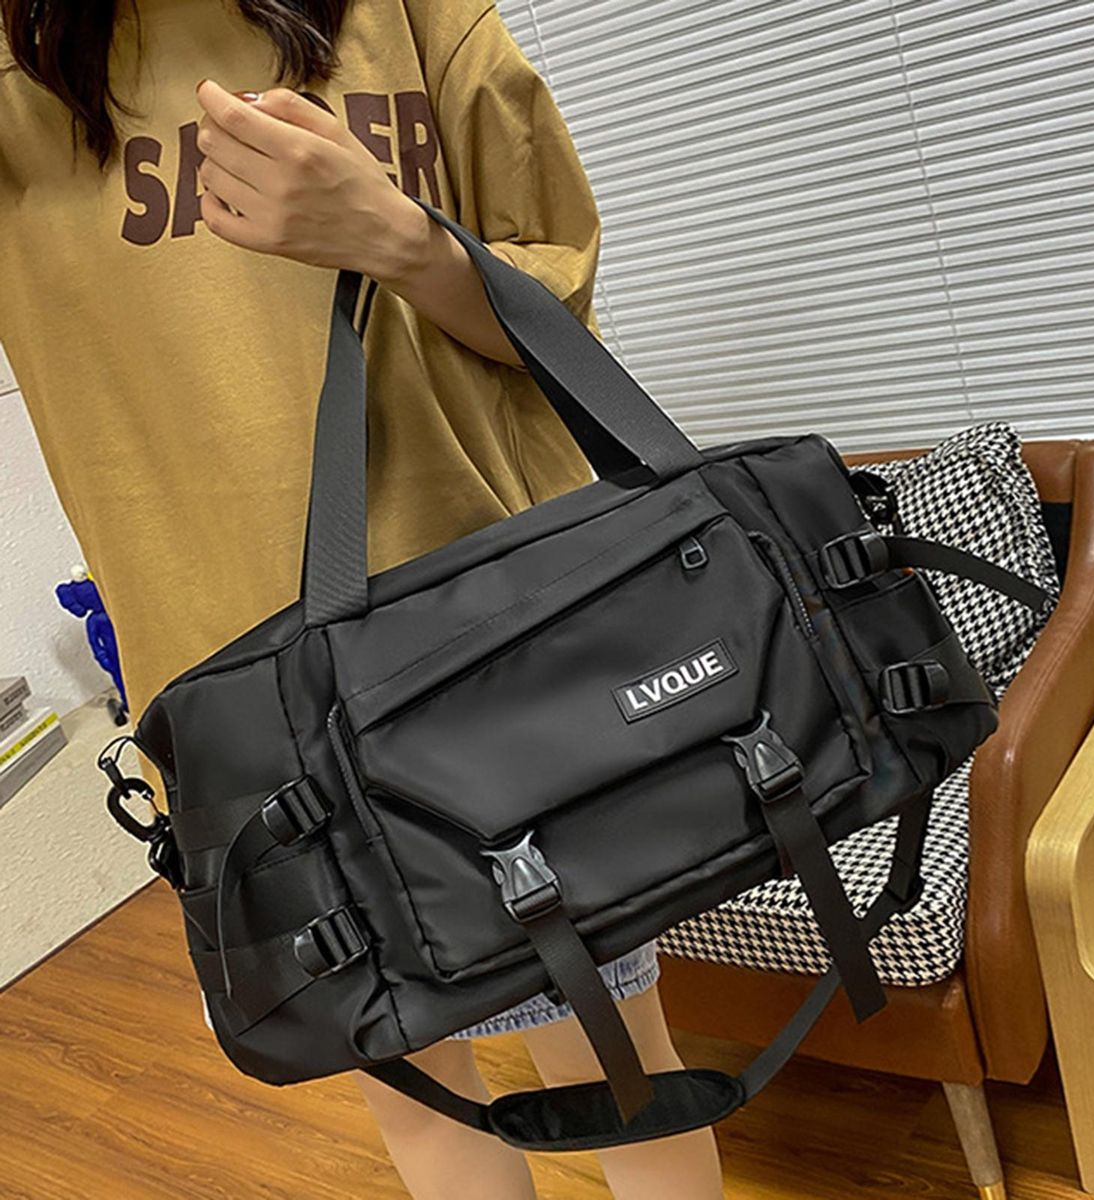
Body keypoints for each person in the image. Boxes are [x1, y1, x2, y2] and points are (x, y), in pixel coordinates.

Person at [0, 1, 725, 1196]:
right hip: (246, 709)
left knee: (621, 1074)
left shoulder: (409, 14)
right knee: (419, 1095)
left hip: (493, 649)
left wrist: (403, 241)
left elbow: (558, 310)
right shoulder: (26, 77)